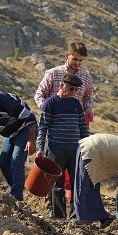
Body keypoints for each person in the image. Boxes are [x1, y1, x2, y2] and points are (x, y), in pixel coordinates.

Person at [34, 42, 95, 200]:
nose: (77, 63)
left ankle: (76, 208)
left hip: (76, 122)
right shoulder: (53, 74)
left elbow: (88, 97)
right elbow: (39, 95)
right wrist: (50, 109)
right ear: (67, 56)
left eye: (81, 61)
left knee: (76, 172)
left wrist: (88, 109)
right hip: (55, 129)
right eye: (75, 59)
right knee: (56, 173)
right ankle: (54, 208)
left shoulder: (86, 77)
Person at [37, 73, 89, 218]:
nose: (73, 92)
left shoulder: (76, 104)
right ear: (61, 86)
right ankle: (58, 216)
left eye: (75, 90)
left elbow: (83, 127)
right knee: (57, 184)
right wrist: (40, 148)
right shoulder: (50, 103)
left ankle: (75, 216)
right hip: (56, 149)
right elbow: (42, 128)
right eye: (70, 89)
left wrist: (87, 147)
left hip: (75, 150)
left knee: (75, 183)